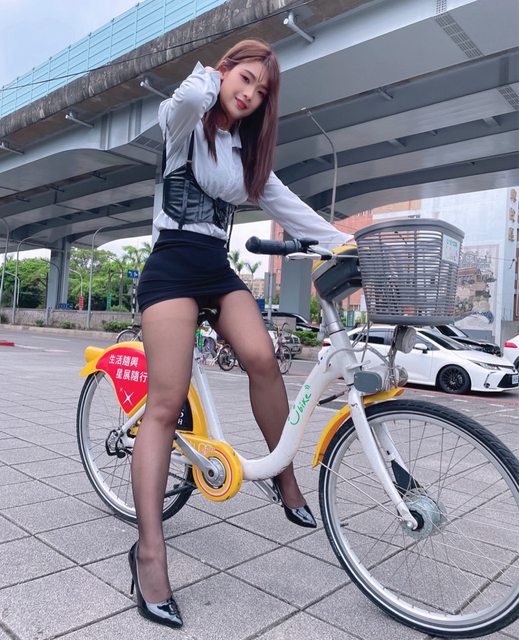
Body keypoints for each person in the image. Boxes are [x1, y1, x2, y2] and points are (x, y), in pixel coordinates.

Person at [130, 38, 351, 629]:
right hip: (171, 267)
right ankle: (149, 554)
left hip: (217, 270)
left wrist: (347, 245)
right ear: (225, 71)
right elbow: (181, 104)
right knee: (165, 405)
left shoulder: (246, 154)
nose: (249, 94)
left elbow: (292, 208)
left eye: (261, 90)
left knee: (263, 358)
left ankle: (282, 476)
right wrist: (209, 78)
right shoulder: (185, 122)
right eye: (245, 79)